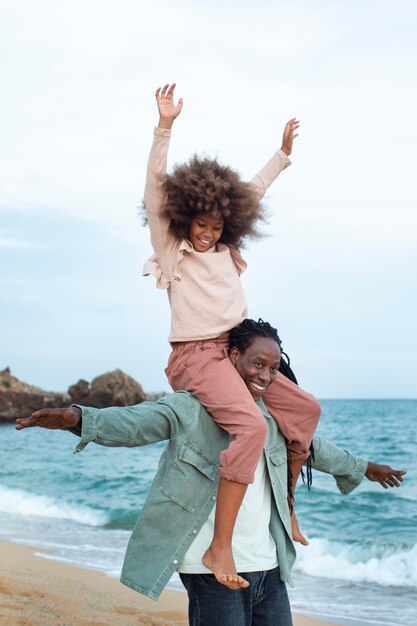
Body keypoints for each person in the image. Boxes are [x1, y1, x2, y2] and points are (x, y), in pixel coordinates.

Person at [16, 319, 406, 626]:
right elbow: (136, 423)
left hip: (267, 561)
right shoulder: (190, 408)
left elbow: (315, 449)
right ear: (232, 357)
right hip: (212, 565)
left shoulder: (270, 418)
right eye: (258, 364)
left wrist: (366, 467)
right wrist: (77, 418)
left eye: (274, 369)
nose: (266, 377)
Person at [143, 82, 320, 586]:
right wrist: (164, 128)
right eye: (201, 224)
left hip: (237, 353)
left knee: (306, 409)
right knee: (253, 428)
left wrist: (281, 156)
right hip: (197, 357)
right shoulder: (174, 250)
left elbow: (252, 191)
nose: (209, 233)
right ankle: (220, 548)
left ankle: (286, 509)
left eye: (217, 226)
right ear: (185, 219)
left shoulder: (226, 250)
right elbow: (154, 189)